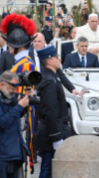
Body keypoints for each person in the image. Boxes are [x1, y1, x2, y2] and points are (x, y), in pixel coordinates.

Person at [0, 13, 38, 172]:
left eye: (9, 43)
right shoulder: (23, 63)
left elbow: (20, 96)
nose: (7, 46)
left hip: (20, 117)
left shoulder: (24, 65)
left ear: (16, 45)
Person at [0, 71, 31, 178]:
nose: (15, 90)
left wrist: (26, 100)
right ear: (2, 84)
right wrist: (19, 106)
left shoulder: (7, 93)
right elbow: (1, 121)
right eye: (13, 86)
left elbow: (15, 115)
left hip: (12, 151)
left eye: (17, 86)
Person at [34, 46, 70, 178]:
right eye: (56, 57)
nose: (59, 59)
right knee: (47, 170)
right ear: (49, 61)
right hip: (50, 134)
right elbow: (50, 111)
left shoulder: (52, 77)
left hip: (52, 131)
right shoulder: (49, 81)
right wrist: (56, 137)